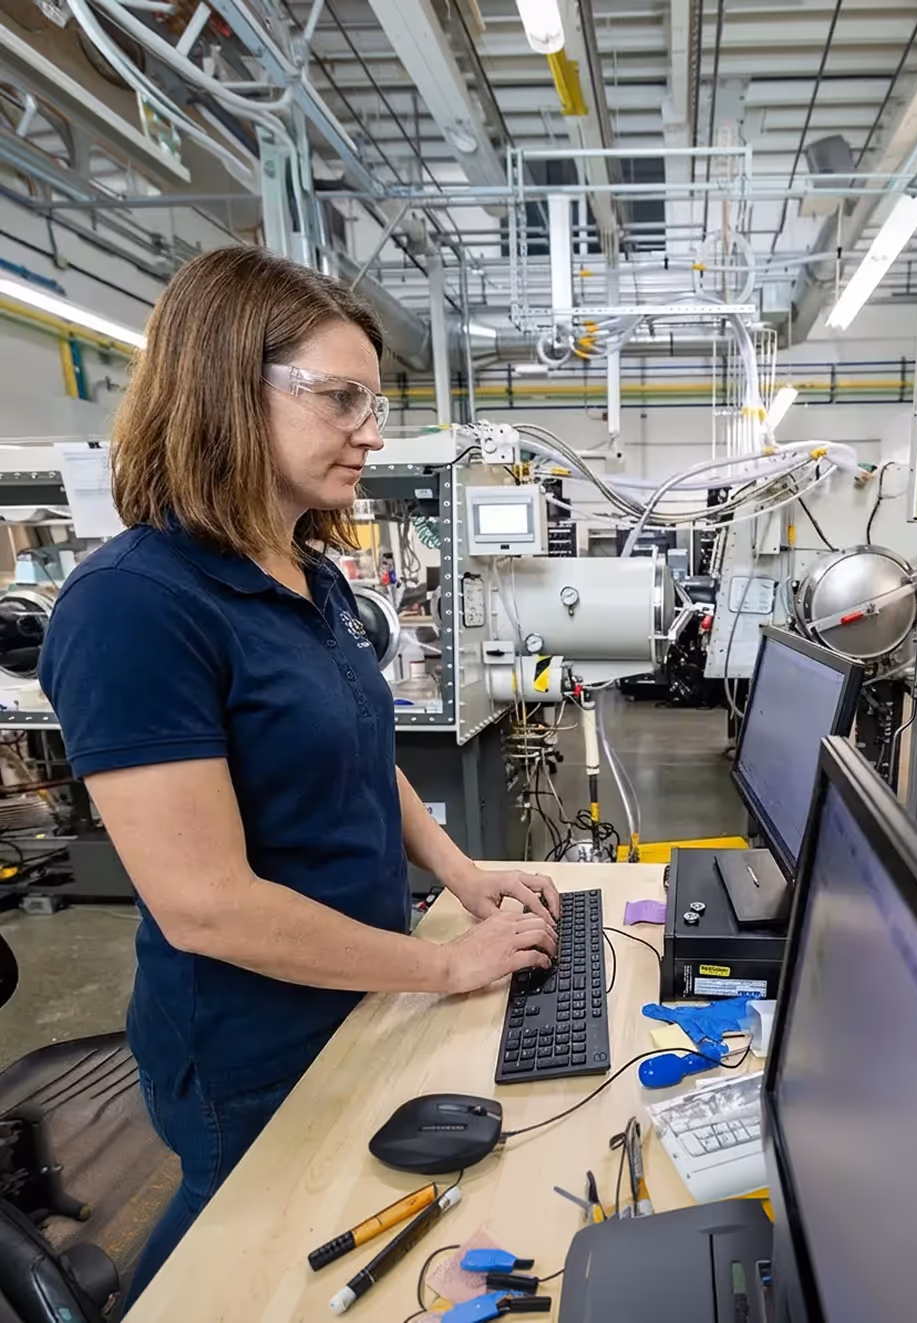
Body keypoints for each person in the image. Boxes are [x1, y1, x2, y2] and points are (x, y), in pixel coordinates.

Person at [38, 246, 560, 1301]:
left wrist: (460, 877)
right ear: (229, 393)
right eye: (340, 399)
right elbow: (206, 908)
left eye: (374, 398)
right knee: (250, 1267)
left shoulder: (302, 575)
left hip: (362, 983)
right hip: (252, 1038)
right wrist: (450, 968)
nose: (371, 428)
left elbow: (361, 752)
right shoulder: (136, 605)